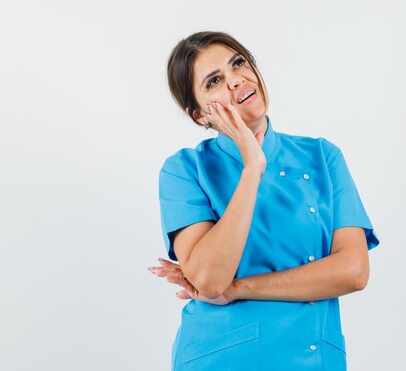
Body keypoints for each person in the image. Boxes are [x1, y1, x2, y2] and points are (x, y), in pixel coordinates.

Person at [148, 31, 380, 371]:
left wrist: (239, 287)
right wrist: (252, 167)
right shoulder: (184, 170)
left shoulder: (322, 156)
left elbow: (354, 271)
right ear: (199, 115)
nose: (235, 81)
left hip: (314, 356)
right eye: (214, 81)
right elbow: (211, 279)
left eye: (238, 64)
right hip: (222, 358)